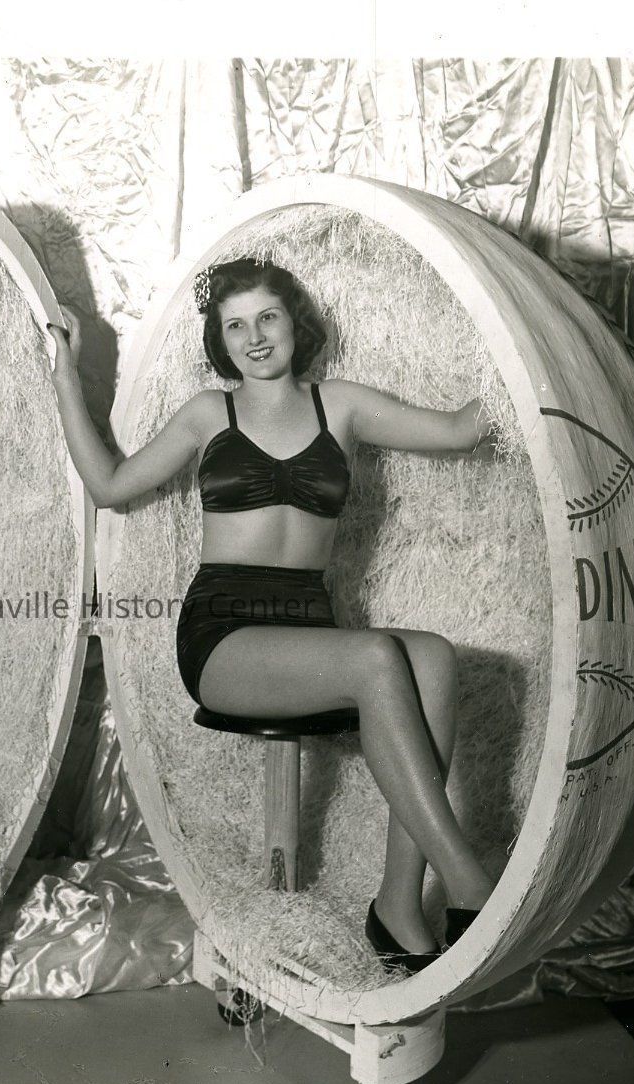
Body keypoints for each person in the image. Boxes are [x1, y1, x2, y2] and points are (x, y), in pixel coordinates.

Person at [47, 255, 495, 972]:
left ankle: (398, 906)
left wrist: (522, 342)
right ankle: (470, 882)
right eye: (235, 326)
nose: (254, 337)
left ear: (294, 323)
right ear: (219, 341)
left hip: (307, 629)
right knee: (375, 656)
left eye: (266, 318)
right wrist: (66, 375)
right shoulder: (208, 413)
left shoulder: (340, 405)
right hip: (224, 634)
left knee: (433, 656)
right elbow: (108, 484)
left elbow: (463, 429)